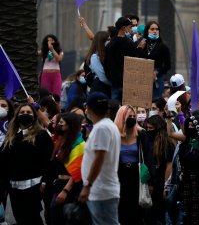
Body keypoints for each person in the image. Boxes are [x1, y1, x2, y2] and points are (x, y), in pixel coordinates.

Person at [0, 103, 53, 225]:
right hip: (14, 187)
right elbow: (3, 160)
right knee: (20, 218)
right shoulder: (12, 136)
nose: (25, 114)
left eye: (28, 112)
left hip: (33, 186)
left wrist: (45, 181)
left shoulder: (42, 135)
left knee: (32, 218)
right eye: (22, 112)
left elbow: (48, 161)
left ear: (34, 116)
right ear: (17, 115)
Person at [78, 92, 121, 225]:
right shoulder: (108, 126)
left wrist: (88, 185)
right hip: (102, 190)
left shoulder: (102, 128)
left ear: (88, 109)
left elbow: (99, 158)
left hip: (101, 191)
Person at [114, 105, 154, 225]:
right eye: (128, 116)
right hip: (120, 176)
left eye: (133, 116)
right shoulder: (115, 135)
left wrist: (151, 182)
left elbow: (148, 158)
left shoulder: (141, 135)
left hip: (137, 176)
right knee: (121, 210)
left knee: (137, 211)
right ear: (122, 118)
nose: (132, 118)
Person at [49, 112, 85, 225]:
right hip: (58, 184)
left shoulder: (79, 144)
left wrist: (65, 190)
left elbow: (78, 171)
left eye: (61, 122)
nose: (59, 124)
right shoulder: (61, 141)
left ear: (70, 124)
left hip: (70, 187)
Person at [145, 115, 176, 225]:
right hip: (149, 182)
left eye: (151, 128)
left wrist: (165, 186)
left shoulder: (166, 143)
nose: (148, 131)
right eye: (147, 128)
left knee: (159, 214)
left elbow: (169, 165)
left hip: (160, 183)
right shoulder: (147, 140)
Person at [104, 17, 137, 102]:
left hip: (114, 83)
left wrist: (111, 78)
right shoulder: (130, 44)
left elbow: (106, 65)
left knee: (114, 107)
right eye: (129, 27)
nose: (131, 29)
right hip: (129, 82)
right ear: (124, 28)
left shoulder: (109, 45)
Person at [137, 21, 171, 99]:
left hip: (156, 77)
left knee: (155, 100)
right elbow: (137, 55)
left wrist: (157, 72)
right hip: (142, 74)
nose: (155, 31)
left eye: (157, 29)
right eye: (152, 29)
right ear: (147, 30)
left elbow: (167, 65)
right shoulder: (142, 42)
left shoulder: (163, 47)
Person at [85, 31, 112, 97]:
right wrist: (114, 85)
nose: (109, 41)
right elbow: (103, 77)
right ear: (102, 41)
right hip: (100, 90)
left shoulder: (105, 54)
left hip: (105, 88)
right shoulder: (94, 57)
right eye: (108, 40)